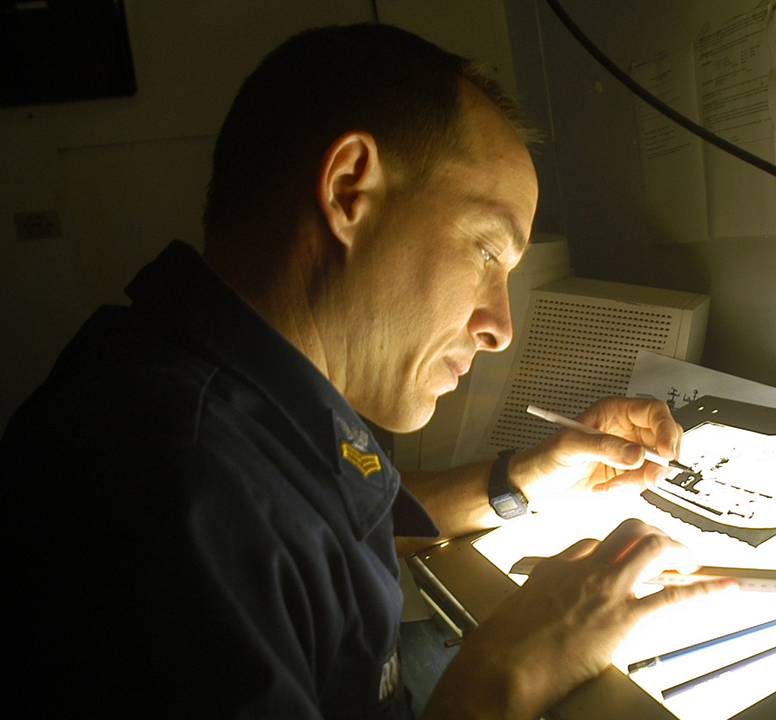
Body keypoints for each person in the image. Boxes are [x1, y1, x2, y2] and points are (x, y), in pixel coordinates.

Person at [0, 23, 724, 719]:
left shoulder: (229, 391)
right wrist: (512, 670)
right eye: (485, 251)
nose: (500, 329)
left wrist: (524, 480)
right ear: (350, 190)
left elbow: (327, 523)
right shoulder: (171, 489)